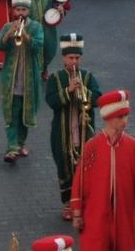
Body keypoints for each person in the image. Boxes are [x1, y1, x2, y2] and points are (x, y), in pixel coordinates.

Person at [71, 90, 135, 250]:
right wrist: (77, 211)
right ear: (108, 118)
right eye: (120, 117)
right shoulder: (92, 146)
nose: (125, 121)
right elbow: (80, 180)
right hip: (96, 217)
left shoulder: (133, 146)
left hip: (124, 217)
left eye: (126, 116)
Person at [44, 33, 100, 220]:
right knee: (65, 166)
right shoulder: (55, 78)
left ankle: (83, 201)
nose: (74, 61)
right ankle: (68, 203)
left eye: (77, 58)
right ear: (63, 58)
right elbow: (51, 101)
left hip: (85, 131)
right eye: (70, 58)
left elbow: (98, 98)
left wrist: (85, 91)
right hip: (62, 133)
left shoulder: (88, 76)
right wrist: (68, 91)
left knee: (86, 167)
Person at [0, 0, 43, 164]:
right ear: (14, 11)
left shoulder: (36, 27)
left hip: (28, 78)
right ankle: (12, 147)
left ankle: (21, 142)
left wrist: (26, 36)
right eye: (18, 9)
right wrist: (9, 33)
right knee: (11, 112)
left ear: (28, 11)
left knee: (25, 113)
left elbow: (38, 46)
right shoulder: (8, 25)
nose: (21, 13)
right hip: (12, 79)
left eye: (24, 9)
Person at [25, 0, 59, 76]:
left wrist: (59, 9)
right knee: (35, 51)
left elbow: (56, 6)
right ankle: (36, 72)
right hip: (32, 29)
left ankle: (44, 67)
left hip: (48, 28)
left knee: (49, 50)